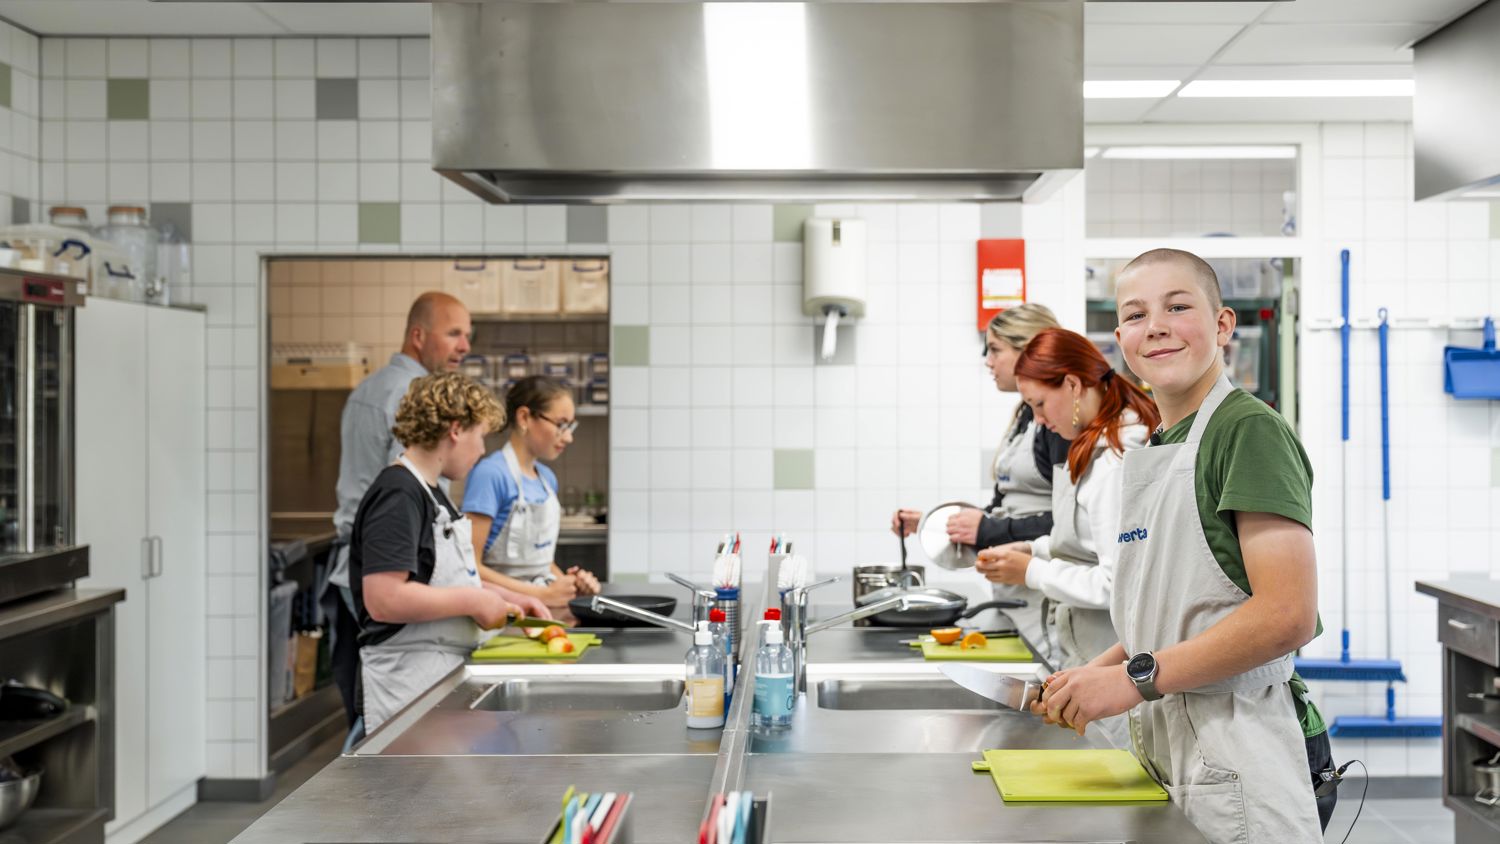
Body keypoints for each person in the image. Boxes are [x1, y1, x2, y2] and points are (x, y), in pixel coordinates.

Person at [1034, 248, 1333, 843]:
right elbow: (1178, 607)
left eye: (1178, 306)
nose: (1158, 326)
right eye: (1137, 314)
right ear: (1120, 337)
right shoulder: (1165, 442)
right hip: (1173, 742)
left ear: (1223, 325)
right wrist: (1097, 671)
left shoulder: (1247, 431)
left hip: (1239, 750)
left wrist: (1135, 680)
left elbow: (1286, 615)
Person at [351, 372, 547, 734]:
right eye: (481, 436)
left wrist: (509, 597)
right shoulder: (398, 494)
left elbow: (443, 581)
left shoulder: (430, 492)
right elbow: (384, 599)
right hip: (406, 683)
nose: (483, 450)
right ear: (456, 430)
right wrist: (474, 603)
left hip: (436, 674)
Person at [322, 291, 475, 728]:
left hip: (358, 563)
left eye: (468, 335)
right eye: (454, 333)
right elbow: (406, 488)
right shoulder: (412, 396)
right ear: (417, 335)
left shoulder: (368, 389)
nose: (465, 346)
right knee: (386, 711)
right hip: (388, 564)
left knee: (370, 702)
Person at [976, 327, 1157, 680]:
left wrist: (1031, 571)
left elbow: (1115, 583)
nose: (1040, 420)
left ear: (1073, 386)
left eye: (1040, 405)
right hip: (1091, 652)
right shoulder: (1093, 445)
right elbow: (1086, 542)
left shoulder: (1115, 462)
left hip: (1113, 661)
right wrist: (1034, 548)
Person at [889, 304, 1069, 651]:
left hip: (1049, 605)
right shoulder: (1025, 415)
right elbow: (1008, 508)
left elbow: (1073, 524)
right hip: (1018, 599)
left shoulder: (1057, 424)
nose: (988, 360)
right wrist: (934, 523)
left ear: (1029, 350)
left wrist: (987, 530)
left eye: (995, 350)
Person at [463, 376, 601, 605]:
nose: (568, 437)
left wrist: (569, 584)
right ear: (524, 417)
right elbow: (470, 566)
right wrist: (541, 595)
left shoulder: (547, 479)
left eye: (571, 426)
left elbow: (541, 563)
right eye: (561, 424)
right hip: (501, 611)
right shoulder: (490, 475)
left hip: (542, 608)